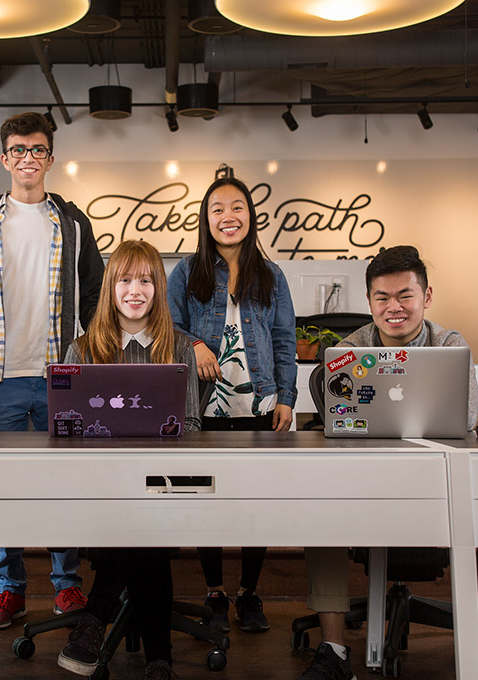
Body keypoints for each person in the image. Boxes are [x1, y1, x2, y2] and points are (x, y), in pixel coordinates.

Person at [298, 245, 478, 680]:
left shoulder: (449, 345)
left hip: (437, 483)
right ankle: (333, 651)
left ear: (427, 296)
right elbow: (336, 418)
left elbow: (464, 419)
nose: (394, 307)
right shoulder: (349, 349)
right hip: (366, 483)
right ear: (369, 302)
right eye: (382, 297)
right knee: (319, 507)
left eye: (405, 295)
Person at [0, 111, 104, 629]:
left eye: (37, 150)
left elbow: (96, 300)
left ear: (51, 158)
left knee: (65, 485)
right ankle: (10, 591)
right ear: (4, 157)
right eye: (18, 150)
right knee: (3, 489)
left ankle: (66, 586)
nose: (28, 159)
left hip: (63, 375)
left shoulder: (74, 223)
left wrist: (101, 360)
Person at [57, 240, 199, 680]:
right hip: (100, 487)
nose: (135, 290)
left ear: (158, 288)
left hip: (161, 485)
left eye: (145, 280)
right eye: (124, 280)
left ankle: (94, 620)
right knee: (141, 533)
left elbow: (191, 425)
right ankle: (160, 658)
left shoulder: (178, 349)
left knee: (144, 519)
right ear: (110, 288)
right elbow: (65, 433)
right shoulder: (82, 351)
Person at [167, 175, 297, 633]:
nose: (228, 217)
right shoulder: (186, 271)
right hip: (205, 403)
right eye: (217, 209)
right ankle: (214, 590)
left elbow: (283, 339)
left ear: (250, 216)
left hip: (260, 401)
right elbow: (169, 328)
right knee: (209, 499)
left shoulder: (271, 274)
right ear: (206, 219)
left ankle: (249, 591)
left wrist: (287, 395)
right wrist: (194, 346)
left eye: (237, 207)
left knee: (254, 501)